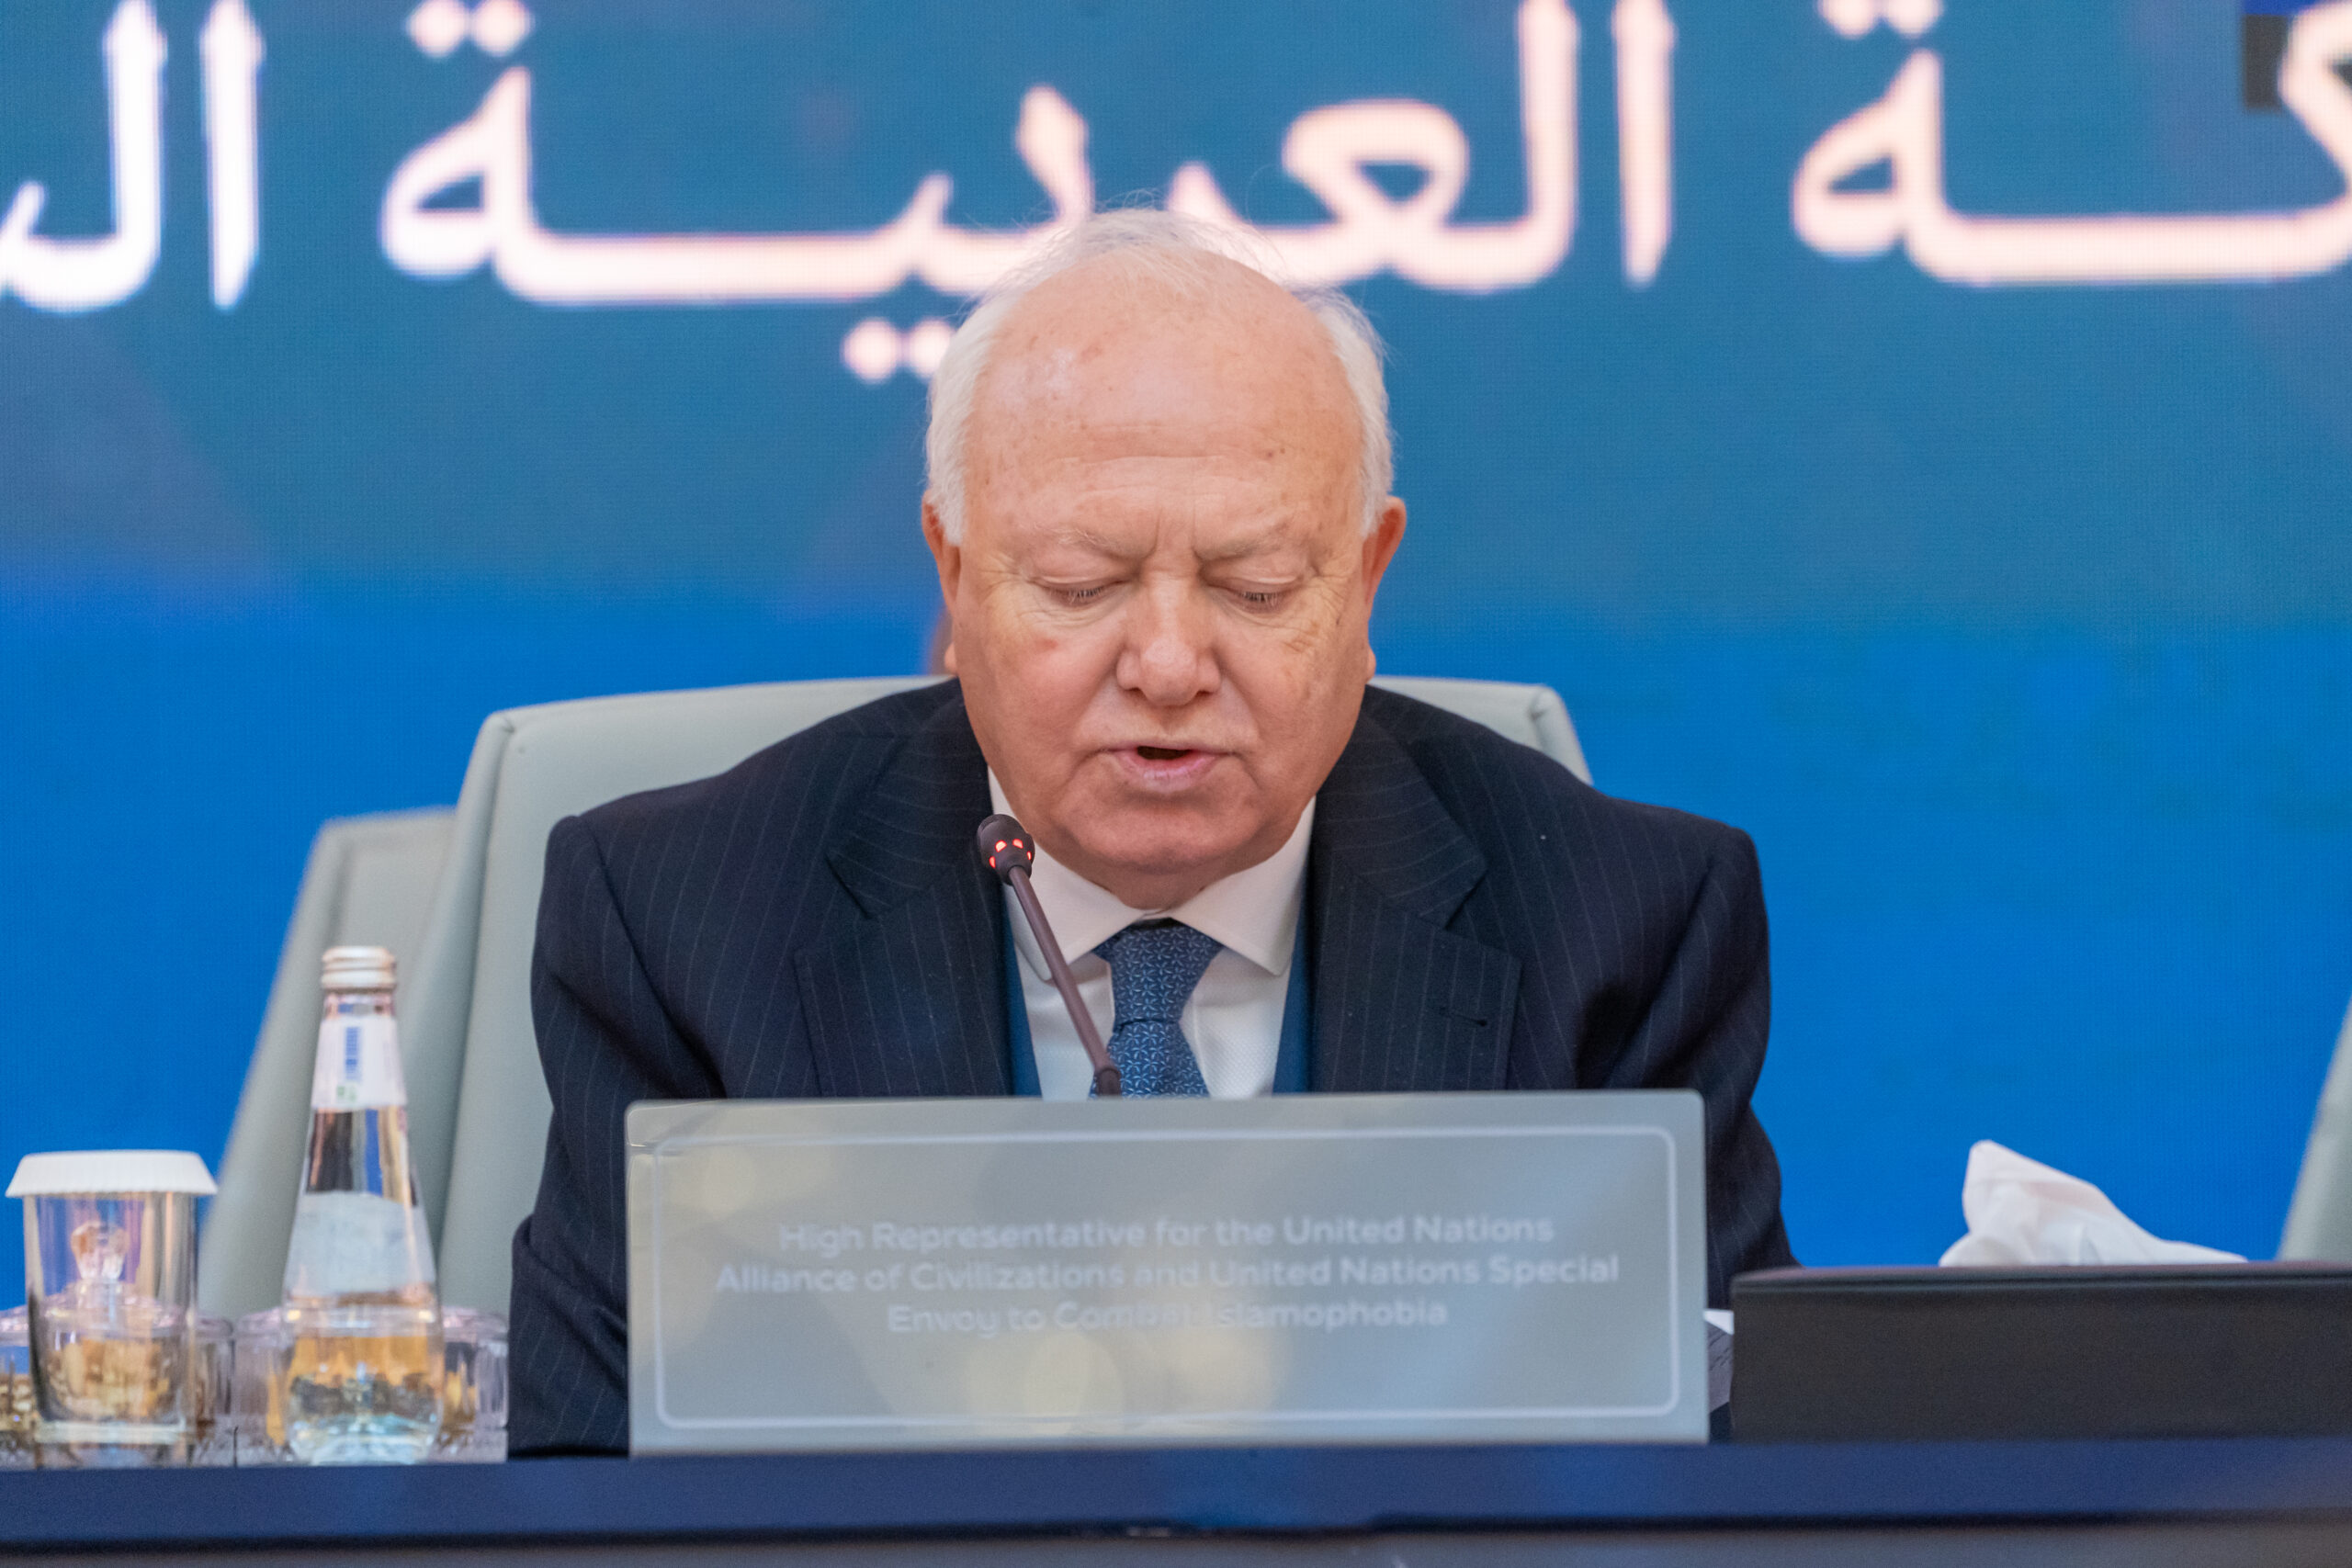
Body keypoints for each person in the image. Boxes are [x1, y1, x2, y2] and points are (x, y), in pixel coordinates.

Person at [509, 210, 1795, 1454]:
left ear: (1368, 580)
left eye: (1257, 589)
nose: (1170, 666)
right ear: (953, 576)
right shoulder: (679, 928)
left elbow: (1728, 1489)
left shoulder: (1626, 933)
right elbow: (595, 1501)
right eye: (1081, 587)